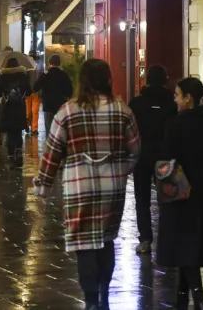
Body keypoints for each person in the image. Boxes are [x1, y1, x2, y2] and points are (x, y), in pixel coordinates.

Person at [34, 59, 141, 310]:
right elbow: (135, 150)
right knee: (106, 239)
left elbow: (52, 155)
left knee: (84, 243)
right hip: (111, 187)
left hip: (78, 187)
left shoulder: (67, 112)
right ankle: (104, 292)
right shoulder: (122, 111)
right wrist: (119, 171)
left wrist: (44, 188)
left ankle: (91, 300)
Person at [156, 77, 203, 310]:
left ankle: (198, 296)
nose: (175, 100)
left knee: (183, 246)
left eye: (177, 95)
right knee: (194, 244)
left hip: (180, 191)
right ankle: (182, 295)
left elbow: (167, 159)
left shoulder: (175, 125)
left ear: (189, 98)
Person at [128, 64, 178, 254]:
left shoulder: (136, 103)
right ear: (165, 80)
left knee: (142, 199)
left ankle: (145, 239)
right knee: (167, 198)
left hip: (141, 156)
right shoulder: (172, 105)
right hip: (165, 156)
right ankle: (168, 238)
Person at [0, 57, 32, 166]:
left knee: (10, 133)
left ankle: (11, 158)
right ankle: (19, 153)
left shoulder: (3, 76)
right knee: (18, 132)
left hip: (7, 107)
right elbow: (29, 91)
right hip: (19, 107)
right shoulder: (23, 75)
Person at [34, 54, 74, 137]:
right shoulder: (64, 74)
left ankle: (50, 146)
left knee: (49, 128)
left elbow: (35, 87)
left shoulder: (46, 74)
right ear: (59, 63)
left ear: (49, 63)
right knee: (60, 128)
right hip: (60, 105)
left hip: (48, 104)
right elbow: (69, 91)